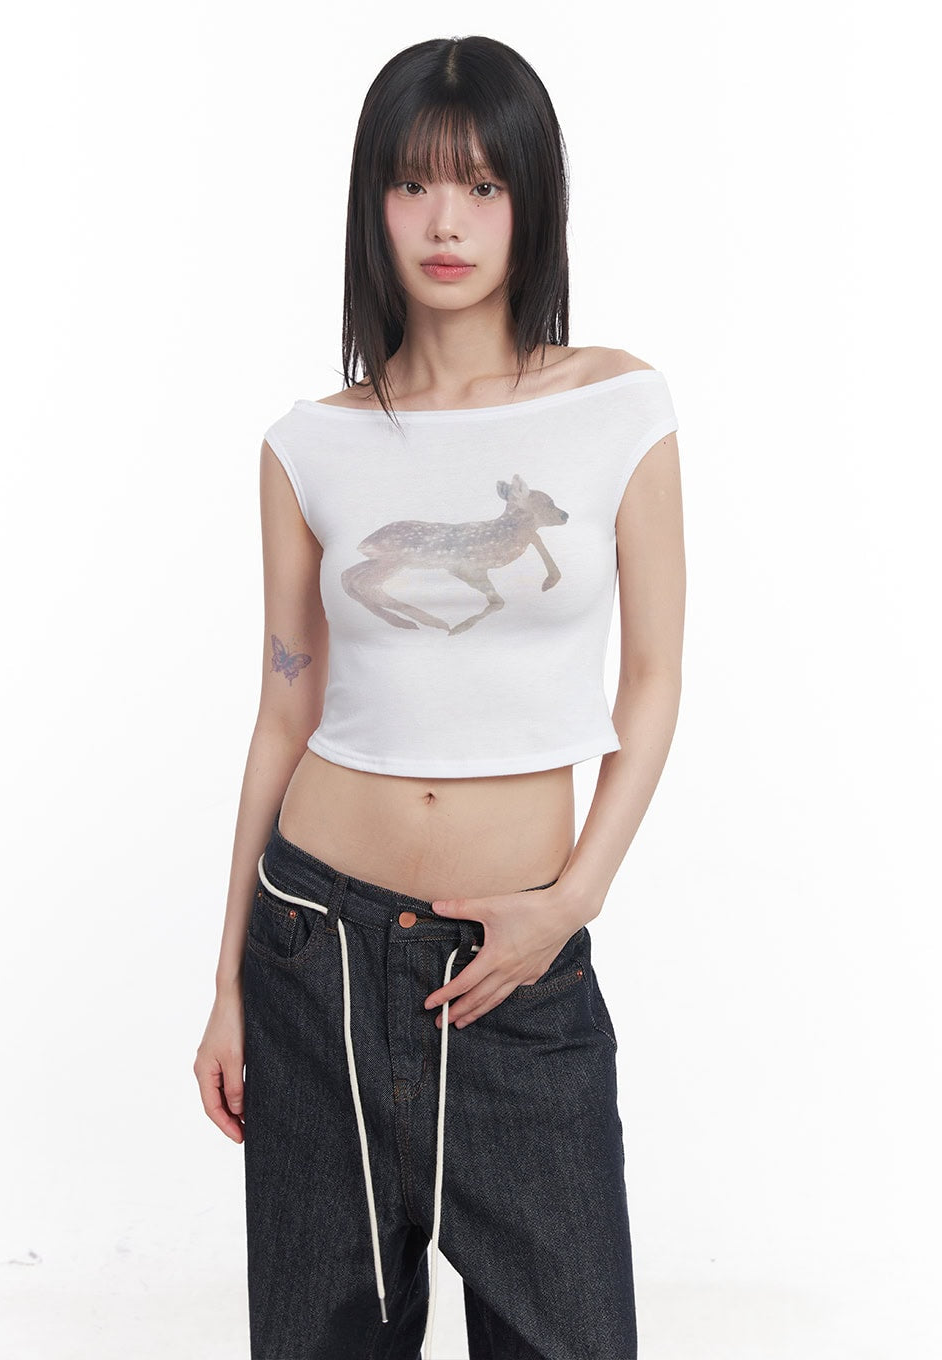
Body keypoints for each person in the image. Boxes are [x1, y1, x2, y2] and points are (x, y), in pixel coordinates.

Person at [194, 33, 685, 1360]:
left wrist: (572, 902)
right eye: (412, 185)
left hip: (514, 968)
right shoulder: (310, 444)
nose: (446, 221)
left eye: (480, 184)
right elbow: (283, 710)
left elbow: (653, 680)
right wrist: (227, 984)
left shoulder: (618, 407)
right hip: (312, 952)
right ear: (375, 205)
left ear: (531, 200)